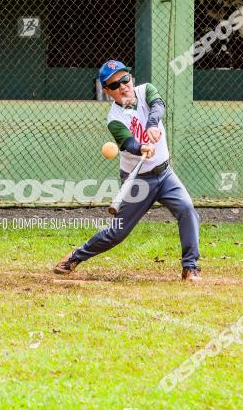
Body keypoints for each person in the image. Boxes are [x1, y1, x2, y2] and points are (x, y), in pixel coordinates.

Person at [54, 60, 201, 282]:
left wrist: (152, 125)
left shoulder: (145, 90)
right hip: (138, 181)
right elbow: (128, 144)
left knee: (187, 209)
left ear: (131, 79)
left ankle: (190, 268)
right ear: (107, 91)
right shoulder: (114, 119)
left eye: (125, 79)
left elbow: (158, 105)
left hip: (165, 173)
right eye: (114, 85)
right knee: (117, 232)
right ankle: (75, 257)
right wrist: (141, 147)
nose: (123, 86)